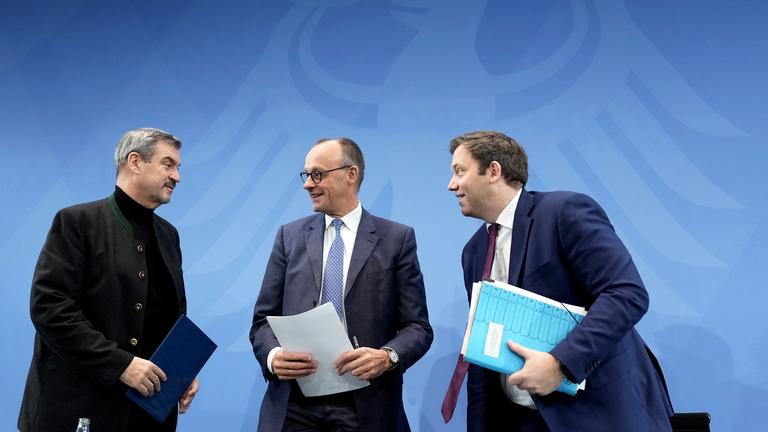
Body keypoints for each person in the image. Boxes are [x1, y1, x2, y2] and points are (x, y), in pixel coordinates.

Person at [443, 130, 673, 431]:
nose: (452, 185)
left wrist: (560, 364)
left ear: (494, 171)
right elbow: (483, 353)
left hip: (599, 415)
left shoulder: (564, 212)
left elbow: (626, 293)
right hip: (524, 421)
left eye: (460, 171)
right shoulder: (473, 252)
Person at [18, 128, 199, 432]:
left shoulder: (169, 235)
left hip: (150, 414)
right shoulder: (77, 222)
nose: (177, 176)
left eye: (178, 168)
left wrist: (181, 371)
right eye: (168, 165)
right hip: (79, 408)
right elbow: (50, 309)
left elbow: (172, 316)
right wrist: (121, 365)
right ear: (135, 162)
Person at [250, 137, 433, 431]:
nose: (307, 184)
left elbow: (418, 328)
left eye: (318, 174)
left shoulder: (396, 240)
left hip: (365, 404)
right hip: (294, 404)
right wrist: (273, 357)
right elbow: (262, 321)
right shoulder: (289, 236)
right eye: (306, 175)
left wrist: (387, 357)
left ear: (351, 174)